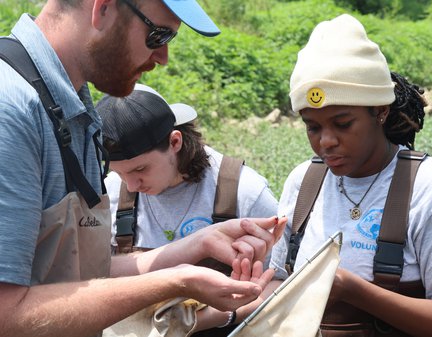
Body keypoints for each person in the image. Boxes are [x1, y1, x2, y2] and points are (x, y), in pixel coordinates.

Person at [0, 1, 283, 337]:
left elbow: (74, 275)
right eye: (158, 35)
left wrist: (199, 244)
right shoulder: (12, 111)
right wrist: (176, 281)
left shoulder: (73, 108)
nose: (163, 58)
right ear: (102, 8)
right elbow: (7, 314)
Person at [269, 14, 432, 337]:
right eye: (312, 127)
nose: (326, 141)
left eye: (343, 124)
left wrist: (352, 289)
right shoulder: (303, 182)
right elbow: (276, 286)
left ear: (380, 112)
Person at [96, 83, 281, 333]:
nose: (131, 184)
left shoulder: (242, 190)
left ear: (175, 141)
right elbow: (96, 275)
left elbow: (279, 282)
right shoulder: (112, 190)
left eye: (141, 169)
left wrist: (209, 318)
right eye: (119, 172)